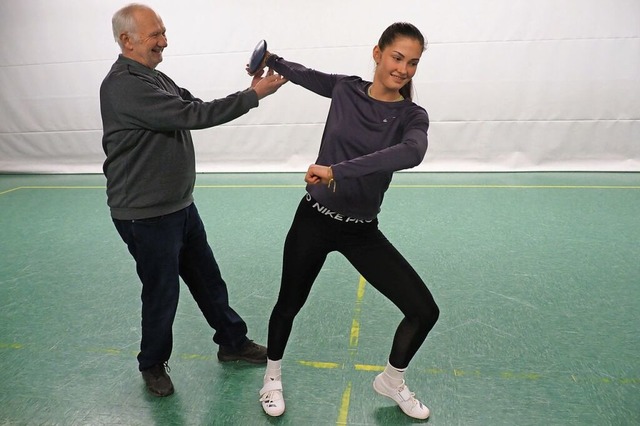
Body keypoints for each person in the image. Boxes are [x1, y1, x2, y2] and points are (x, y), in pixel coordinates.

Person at [252, 23, 440, 419]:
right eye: (397, 57)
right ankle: (271, 378)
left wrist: (337, 170)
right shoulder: (344, 89)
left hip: (361, 231)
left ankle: (391, 380)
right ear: (377, 53)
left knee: (424, 310)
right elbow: (304, 75)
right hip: (315, 219)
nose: (403, 69)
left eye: (413, 63)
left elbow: (411, 154)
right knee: (289, 302)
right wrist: (271, 61)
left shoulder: (411, 116)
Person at [99, 3, 287, 397]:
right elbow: (194, 116)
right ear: (126, 40)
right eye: (155, 35)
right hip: (145, 214)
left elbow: (194, 105)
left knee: (207, 279)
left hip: (177, 205)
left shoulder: (153, 76)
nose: (164, 41)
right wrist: (254, 95)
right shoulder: (124, 85)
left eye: (163, 32)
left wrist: (247, 89)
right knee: (161, 291)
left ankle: (232, 342)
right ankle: (151, 363)